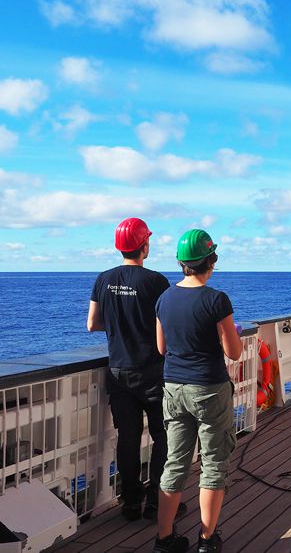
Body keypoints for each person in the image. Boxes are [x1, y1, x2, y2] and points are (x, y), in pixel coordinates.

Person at [153, 229, 243, 553]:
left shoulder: (164, 299)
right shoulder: (216, 299)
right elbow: (233, 352)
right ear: (211, 261)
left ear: (181, 263)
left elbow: (162, 347)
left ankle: (164, 540)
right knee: (214, 463)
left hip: (173, 389)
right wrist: (229, 334)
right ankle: (207, 540)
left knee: (175, 463)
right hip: (208, 390)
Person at [88, 218, 180, 522]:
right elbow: (167, 327)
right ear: (144, 245)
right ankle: (157, 502)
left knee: (127, 439)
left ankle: (130, 503)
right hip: (154, 372)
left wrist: (118, 327)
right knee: (162, 437)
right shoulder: (156, 282)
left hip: (119, 372)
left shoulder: (103, 279)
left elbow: (92, 324)